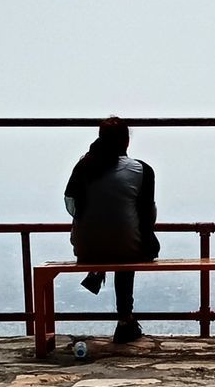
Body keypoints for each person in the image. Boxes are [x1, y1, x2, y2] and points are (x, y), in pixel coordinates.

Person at [64, 116, 160, 344]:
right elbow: (148, 215)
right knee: (129, 249)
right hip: (127, 247)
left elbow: (71, 205)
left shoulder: (84, 166)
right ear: (126, 142)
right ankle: (125, 320)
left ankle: (97, 272)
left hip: (86, 248)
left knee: (116, 244)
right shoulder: (142, 170)